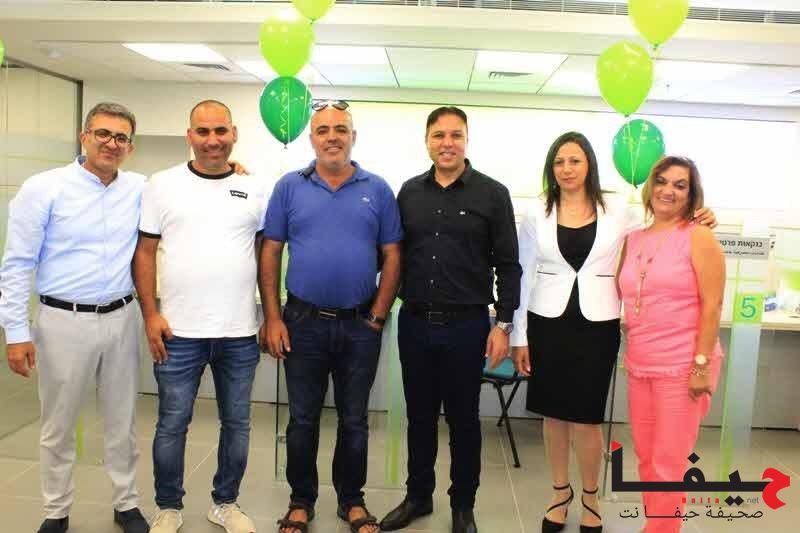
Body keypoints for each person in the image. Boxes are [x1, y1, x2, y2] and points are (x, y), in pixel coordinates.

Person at [509, 133, 716, 533]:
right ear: (551, 169)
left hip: (598, 323)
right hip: (546, 321)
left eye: (575, 160)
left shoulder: (619, 209)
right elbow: (521, 272)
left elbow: (666, 226)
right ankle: (559, 493)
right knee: (553, 415)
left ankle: (591, 497)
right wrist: (519, 334)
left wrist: (702, 217)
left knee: (586, 418)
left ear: (589, 164)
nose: (567, 169)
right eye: (559, 162)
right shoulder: (537, 212)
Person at [0, 102, 150, 533]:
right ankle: (56, 511)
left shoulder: (140, 188)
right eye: (102, 133)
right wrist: (15, 332)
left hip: (122, 317)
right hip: (62, 320)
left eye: (121, 137)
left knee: (122, 419)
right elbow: (16, 264)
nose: (111, 143)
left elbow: (188, 189)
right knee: (59, 423)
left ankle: (126, 503)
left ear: (130, 147)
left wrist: (234, 169)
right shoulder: (43, 188)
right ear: (84, 137)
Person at [261, 100, 402, 533]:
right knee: (302, 418)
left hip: (360, 326)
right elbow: (271, 250)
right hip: (302, 322)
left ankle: (351, 500)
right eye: (323, 130)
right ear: (312, 139)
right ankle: (301, 501)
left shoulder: (377, 189)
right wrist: (273, 318)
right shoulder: (289, 187)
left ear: (353, 137)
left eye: (340, 129)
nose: (332, 137)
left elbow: (393, 254)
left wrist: (377, 316)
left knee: (354, 419)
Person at [380, 106, 521, 533]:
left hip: (467, 326)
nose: (447, 143)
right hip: (415, 322)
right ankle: (418, 497)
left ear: (466, 140)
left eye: (455, 135)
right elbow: (391, 255)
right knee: (420, 418)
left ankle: (463, 505)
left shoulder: (492, 194)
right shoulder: (408, 193)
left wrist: (503, 325)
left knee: (463, 421)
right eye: (439, 135)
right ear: (427, 141)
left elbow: (508, 265)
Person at [133, 100, 269, 533]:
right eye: (203, 131)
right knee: (172, 424)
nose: (213, 140)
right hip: (178, 332)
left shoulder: (255, 187)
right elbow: (145, 252)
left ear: (234, 134)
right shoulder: (161, 184)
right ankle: (168, 507)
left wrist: (272, 316)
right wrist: (150, 314)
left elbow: (266, 256)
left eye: (220, 131)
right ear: (189, 135)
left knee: (237, 424)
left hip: (238, 332)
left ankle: (225, 504)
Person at [617, 156, 724, 533]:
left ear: (691, 195)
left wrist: (701, 365)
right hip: (640, 364)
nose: (668, 190)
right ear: (650, 187)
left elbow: (713, 304)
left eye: (680, 185)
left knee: (669, 462)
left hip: (682, 366)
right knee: (646, 457)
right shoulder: (633, 238)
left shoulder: (699, 236)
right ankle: (657, 525)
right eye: (662, 181)